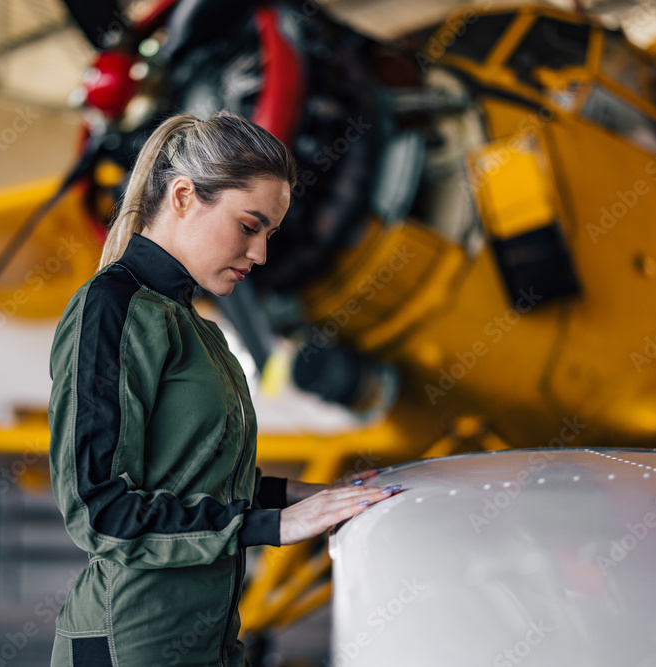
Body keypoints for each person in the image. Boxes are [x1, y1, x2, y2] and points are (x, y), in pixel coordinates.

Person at [47, 109, 400, 667]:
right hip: (132, 644)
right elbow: (99, 511)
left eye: (270, 235)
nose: (260, 254)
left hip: (209, 642)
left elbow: (201, 482)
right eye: (248, 226)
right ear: (184, 196)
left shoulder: (197, 327)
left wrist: (312, 497)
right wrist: (275, 526)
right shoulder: (111, 308)